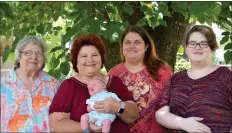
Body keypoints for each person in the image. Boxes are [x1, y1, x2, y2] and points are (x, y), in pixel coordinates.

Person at [49, 34, 139, 133]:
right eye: (84, 56)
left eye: (94, 55)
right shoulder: (69, 86)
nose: (90, 60)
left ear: (101, 58)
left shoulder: (114, 82)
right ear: (76, 61)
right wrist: (86, 127)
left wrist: (119, 107)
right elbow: (55, 124)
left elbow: (133, 116)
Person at [155, 25, 232, 133]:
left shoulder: (226, 76)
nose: (197, 47)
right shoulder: (176, 79)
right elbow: (160, 114)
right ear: (186, 48)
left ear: (212, 48)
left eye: (204, 43)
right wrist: (183, 123)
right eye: (192, 43)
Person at [109, 25, 173, 132]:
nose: (132, 46)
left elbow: (175, 105)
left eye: (137, 42)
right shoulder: (113, 74)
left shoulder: (162, 71)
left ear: (146, 47)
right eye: (127, 42)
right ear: (122, 47)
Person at [1, 36, 60, 132]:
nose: (33, 57)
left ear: (43, 59)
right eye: (27, 53)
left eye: (38, 53)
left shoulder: (53, 85)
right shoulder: (3, 86)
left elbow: (62, 119)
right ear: (19, 57)